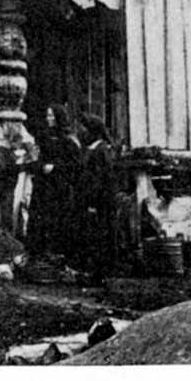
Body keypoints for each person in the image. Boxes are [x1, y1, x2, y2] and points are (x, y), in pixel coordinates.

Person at [26, 104, 81, 259]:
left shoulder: (69, 140)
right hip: (43, 185)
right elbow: (40, 158)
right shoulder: (44, 137)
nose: (48, 118)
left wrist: (55, 167)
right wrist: (39, 165)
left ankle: (58, 253)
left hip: (59, 187)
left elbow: (75, 165)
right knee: (40, 218)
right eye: (47, 115)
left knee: (57, 219)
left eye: (51, 115)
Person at [77, 113, 117, 283]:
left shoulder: (101, 151)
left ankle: (100, 274)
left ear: (92, 131)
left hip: (100, 202)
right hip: (91, 200)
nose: (81, 132)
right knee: (91, 236)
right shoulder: (91, 149)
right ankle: (92, 272)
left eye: (84, 129)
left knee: (99, 237)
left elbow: (100, 180)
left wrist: (93, 202)